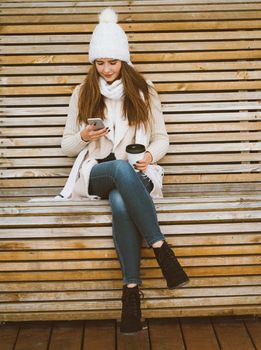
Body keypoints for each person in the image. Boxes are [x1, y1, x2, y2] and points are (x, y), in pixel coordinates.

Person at [59, 8, 189, 334]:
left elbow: (161, 139)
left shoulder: (145, 92)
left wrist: (149, 155)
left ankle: (131, 295)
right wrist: (84, 137)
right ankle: (161, 248)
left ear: (124, 61)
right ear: (94, 63)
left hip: (136, 175)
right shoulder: (83, 93)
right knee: (116, 170)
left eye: (112, 62)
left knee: (120, 200)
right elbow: (67, 147)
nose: (106, 69)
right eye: (100, 62)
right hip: (96, 174)